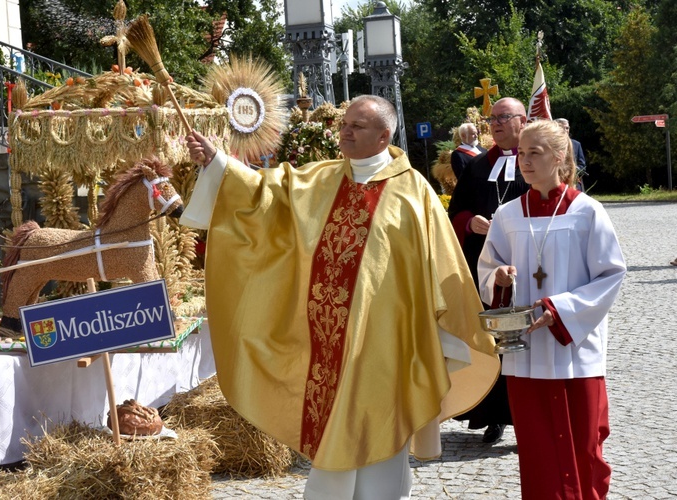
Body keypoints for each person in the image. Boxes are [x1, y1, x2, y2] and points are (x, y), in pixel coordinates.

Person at [181, 95, 500, 499]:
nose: (345, 131)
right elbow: (264, 194)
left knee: (382, 422)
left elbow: (439, 263)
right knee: (334, 425)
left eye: (357, 126)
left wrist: (441, 330)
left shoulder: (413, 190)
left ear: (384, 136)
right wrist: (217, 163)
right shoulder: (321, 179)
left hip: (388, 339)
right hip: (325, 341)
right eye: (344, 124)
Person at [477, 119, 626, 499]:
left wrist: (560, 309)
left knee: (585, 444)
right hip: (525, 352)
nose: (524, 161)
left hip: (574, 348)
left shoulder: (587, 212)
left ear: (559, 157)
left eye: (534, 153)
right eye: (522, 154)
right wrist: (500, 279)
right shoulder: (508, 214)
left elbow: (610, 274)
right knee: (538, 450)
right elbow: (486, 268)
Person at [447, 97, 530, 444]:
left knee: (525, 339)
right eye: (491, 118)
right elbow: (454, 213)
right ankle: (493, 416)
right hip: (484, 268)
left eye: (502, 117)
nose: (494, 124)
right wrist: (471, 223)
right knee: (490, 339)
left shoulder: (535, 162)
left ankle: (528, 417)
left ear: (522, 121)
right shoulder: (479, 167)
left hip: (527, 266)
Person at [554, 118, 587, 190]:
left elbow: (582, 166)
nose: (565, 130)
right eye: (562, 128)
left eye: (567, 128)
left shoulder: (576, 144)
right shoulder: (551, 145)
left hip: (574, 185)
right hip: (556, 184)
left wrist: (573, 170)